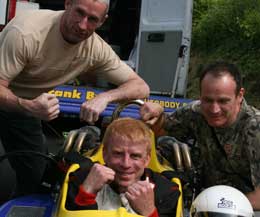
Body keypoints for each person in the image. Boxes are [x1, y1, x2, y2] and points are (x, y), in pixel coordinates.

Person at [0, 0, 149, 202]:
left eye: (92, 19)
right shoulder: (27, 32)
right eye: (79, 13)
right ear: (67, 4)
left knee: (37, 174)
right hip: (15, 97)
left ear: (103, 21)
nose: (82, 25)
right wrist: (28, 105)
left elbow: (140, 87)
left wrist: (105, 97)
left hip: (25, 107)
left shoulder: (95, 48)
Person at [140, 61, 260, 210]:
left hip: (245, 208)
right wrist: (157, 113)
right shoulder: (196, 112)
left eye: (223, 101)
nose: (214, 109)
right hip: (204, 200)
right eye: (208, 100)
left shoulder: (255, 129)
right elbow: (162, 129)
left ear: (240, 95)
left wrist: (218, 207)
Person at [66, 117, 180, 217]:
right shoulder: (79, 179)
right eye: (118, 153)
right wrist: (86, 194)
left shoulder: (167, 192)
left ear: (147, 159)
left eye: (135, 156)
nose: (126, 164)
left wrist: (149, 212)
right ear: (104, 154)